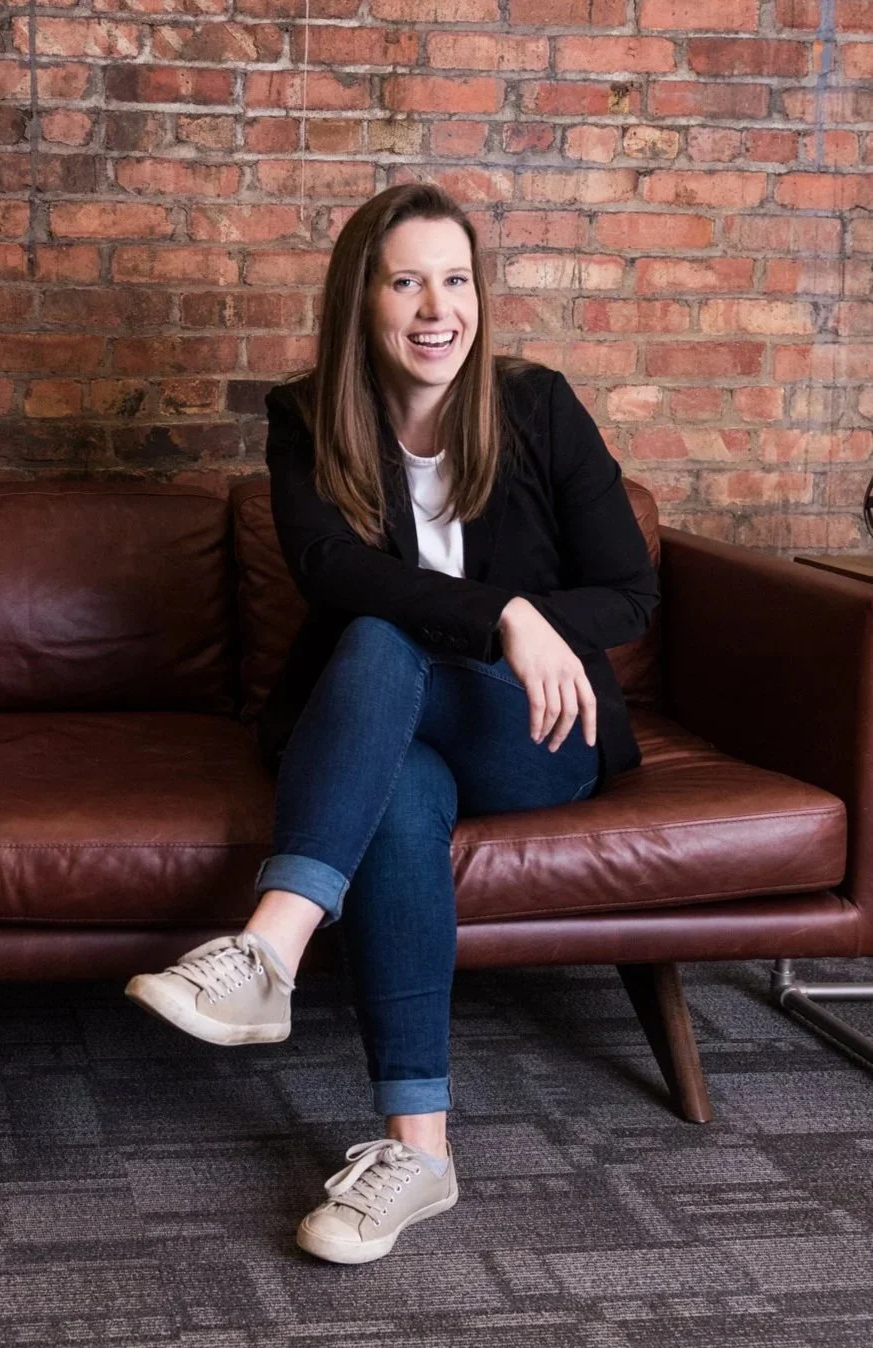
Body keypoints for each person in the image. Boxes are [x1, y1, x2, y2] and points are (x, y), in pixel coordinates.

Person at [125, 183, 660, 1265]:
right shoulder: (305, 416)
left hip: (532, 730)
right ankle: (418, 1148)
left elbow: (628, 590)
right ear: (360, 299)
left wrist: (525, 625)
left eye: (454, 279)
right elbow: (330, 569)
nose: (435, 306)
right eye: (405, 278)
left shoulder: (537, 406)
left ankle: (270, 945)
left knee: (384, 632)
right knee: (398, 760)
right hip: (394, 727)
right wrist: (494, 610)